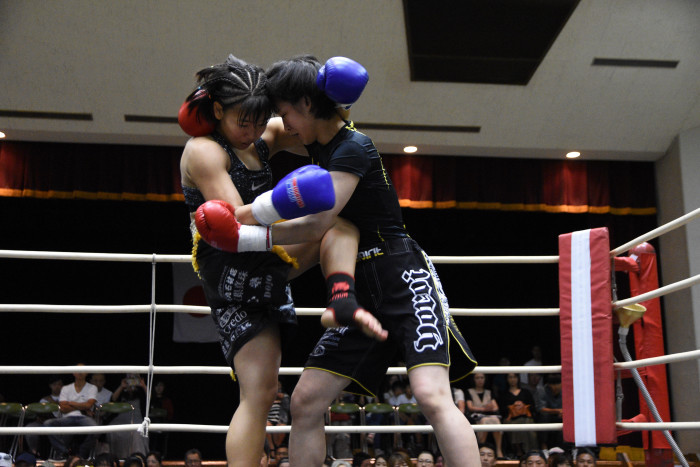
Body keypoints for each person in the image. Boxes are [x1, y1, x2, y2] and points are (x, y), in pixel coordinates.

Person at [256, 54, 479, 466]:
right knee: (305, 402)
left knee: (431, 395)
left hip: (402, 274)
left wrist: (248, 229)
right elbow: (265, 133)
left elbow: (320, 221)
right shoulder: (315, 141)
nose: (286, 125)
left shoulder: (353, 147)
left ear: (307, 103)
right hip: (357, 288)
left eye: (287, 114)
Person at [179, 54, 386, 467]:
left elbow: (319, 128)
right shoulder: (204, 151)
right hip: (232, 261)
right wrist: (290, 206)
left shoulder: (261, 135)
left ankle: (342, 298)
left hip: (266, 255)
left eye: (261, 121)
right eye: (244, 122)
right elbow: (235, 224)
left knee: (263, 390)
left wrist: (329, 100)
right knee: (257, 392)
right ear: (217, 111)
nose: (253, 132)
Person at [44, 364, 98, 459]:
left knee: (96, 429)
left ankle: (81, 455)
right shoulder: (66, 388)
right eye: (77, 370)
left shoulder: (92, 388)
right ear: (73, 372)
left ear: (87, 372)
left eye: (83, 370)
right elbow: (63, 408)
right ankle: (63, 452)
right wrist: (82, 406)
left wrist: (71, 403)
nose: (80, 372)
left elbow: (89, 405)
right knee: (48, 423)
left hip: (84, 417)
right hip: (67, 417)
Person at [107, 373, 149, 458]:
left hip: (137, 418)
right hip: (122, 418)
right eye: (130, 377)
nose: (132, 380)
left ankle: (138, 456)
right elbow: (113, 399)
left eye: (135, 378)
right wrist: (121, 387)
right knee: (112, 429)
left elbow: (150, 399)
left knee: (137, 432)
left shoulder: (141, 392)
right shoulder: (123, 391)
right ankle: (117, 456)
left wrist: (144, 386)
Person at [498, 373, 537, 457]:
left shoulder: (526, 392)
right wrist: (512, 407)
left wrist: (523, 405)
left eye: (514, 377)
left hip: (526, 417)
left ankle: (530, 450)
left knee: (526, 424)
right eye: (510, 377)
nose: (512, 379)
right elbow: (501, 410)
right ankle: (519, 450)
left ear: (518, 378)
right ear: (507, 379)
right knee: (516, 424)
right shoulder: (503, 394)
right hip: (510, 419)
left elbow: (533, 407)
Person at [466, 372, 504, 458]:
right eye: (477, 378)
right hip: (476, 417)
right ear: (473, 380)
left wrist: (486, 408)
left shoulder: (489, 392)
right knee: (484, 420)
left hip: (489, 415)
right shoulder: (469, 392)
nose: (480, 380)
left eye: (482, 378)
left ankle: (499, 449)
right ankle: (481, 447)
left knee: (496, 420)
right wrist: (484, 408)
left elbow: (496, 407)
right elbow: (470, 407)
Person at [535, 375, 563, 450]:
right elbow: (540, 408)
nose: (556, 387)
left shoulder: (565, 390)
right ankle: (544, 446)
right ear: (549, 385)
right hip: (547, 416)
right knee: (544, 417)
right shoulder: (542, 390)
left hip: (560, 416)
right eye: (554, 384)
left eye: (558, 384)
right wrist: (557, 411)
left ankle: (567, 448)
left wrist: (564, 412)